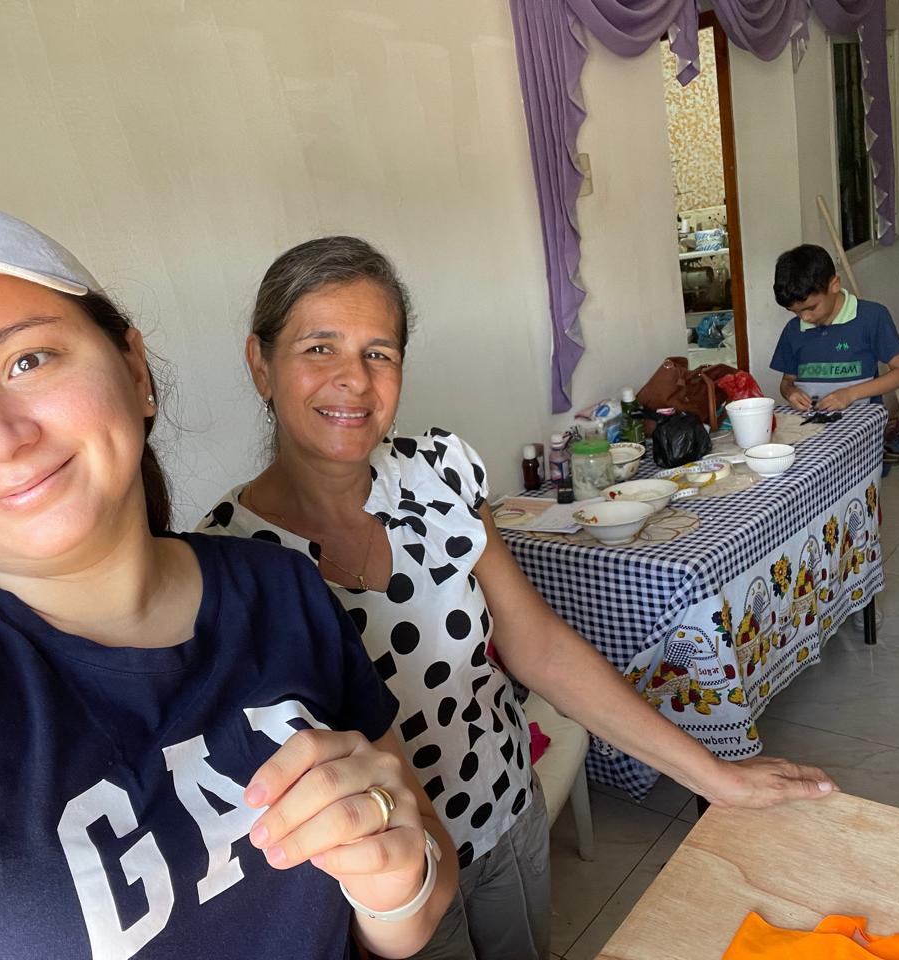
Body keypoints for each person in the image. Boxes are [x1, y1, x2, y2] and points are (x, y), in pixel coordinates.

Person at [0, 206, 456, 960]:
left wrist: (396, 884)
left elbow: (417, 896)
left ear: (135, 371)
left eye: (28, 361)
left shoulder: (283, 588)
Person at [198, 236, 838, 960]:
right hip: (381, 892)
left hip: (506, 814)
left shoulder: (439, 474)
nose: (354, 379)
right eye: (319, 348)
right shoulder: (225, 565)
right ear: (261, 364)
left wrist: (714, 776)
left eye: (379, 352)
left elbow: (541, 649)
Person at [770, 244, 899, 412]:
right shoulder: (793, 330)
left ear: (834, 285)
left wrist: (850, 394)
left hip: (861, 420)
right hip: (811, 421)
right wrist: (790, 392)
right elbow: (787, 381)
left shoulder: (871, 317)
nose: (805, 318)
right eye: (795, 311)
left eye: (811, 308)